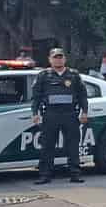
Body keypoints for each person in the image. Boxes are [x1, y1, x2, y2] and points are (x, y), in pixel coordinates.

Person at [31, 47, 88, 184]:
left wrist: (84, 112)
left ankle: (75, 174)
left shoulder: (73, 75)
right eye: (55, 57)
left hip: (70, 114)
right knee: (47, 146)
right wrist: (35, 113)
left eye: (60, 57)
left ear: (64, 59)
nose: (58, 59)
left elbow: (82, 96)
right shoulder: (43, 75)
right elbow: (36, 96)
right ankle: (45, 175)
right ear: (50, 59)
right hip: (51, 114)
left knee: (73, 145)